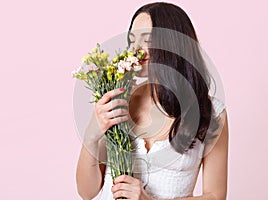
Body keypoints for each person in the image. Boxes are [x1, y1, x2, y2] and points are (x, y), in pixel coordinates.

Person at [76, 2, 229, 200]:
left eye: (147, 40)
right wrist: (91, 136)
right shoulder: (118, 98)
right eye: (132, 41)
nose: (136, 50)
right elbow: (87, 192)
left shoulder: (211, 112)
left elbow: (215, 196)